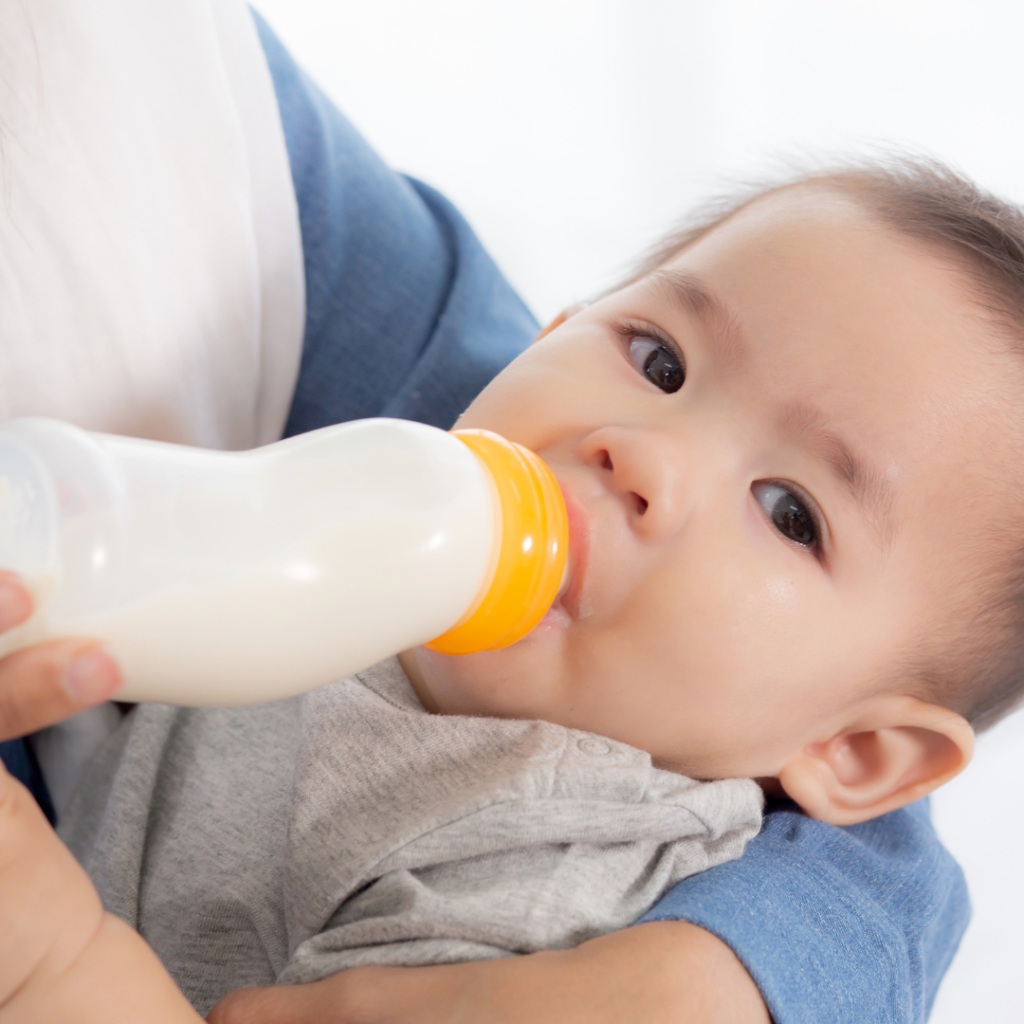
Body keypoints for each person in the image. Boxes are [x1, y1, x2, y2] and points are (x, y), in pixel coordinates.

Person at [0, 3, 969, 1023]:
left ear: (855, 754)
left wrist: (50, 962)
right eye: (657, 361)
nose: (640, 451)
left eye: (790, 512)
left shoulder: (547, 873)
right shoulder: (356, 553)